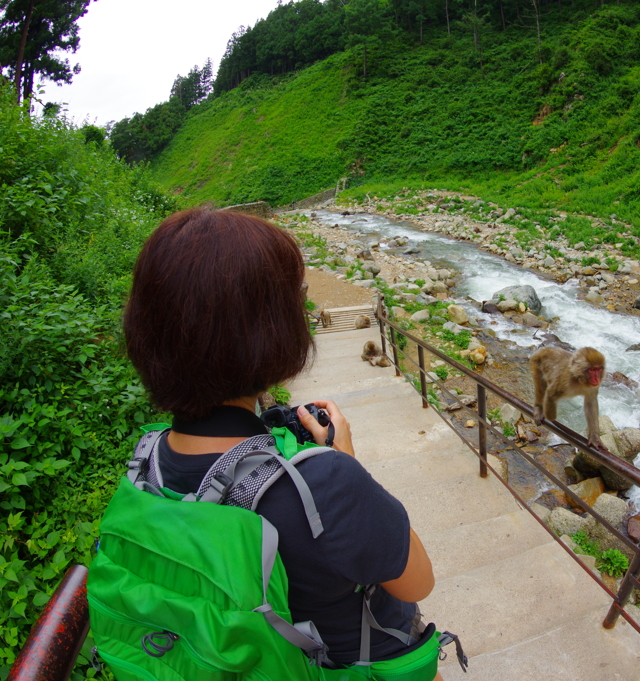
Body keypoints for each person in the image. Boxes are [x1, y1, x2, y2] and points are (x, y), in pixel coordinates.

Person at [120, 208, 442, 676]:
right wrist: (343, 462)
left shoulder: (148, 460)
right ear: (269, 332)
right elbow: (418, 584)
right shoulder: (326, 485)